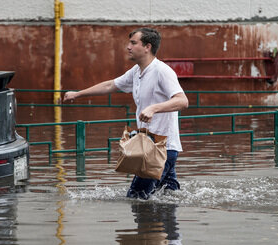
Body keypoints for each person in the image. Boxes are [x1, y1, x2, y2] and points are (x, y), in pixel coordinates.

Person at [63, 27, 189, 200]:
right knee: (168, 197)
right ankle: (167, 225)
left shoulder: (162, 71)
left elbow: (183, 101)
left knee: (136, 198)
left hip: (160, 149)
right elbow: (110, 85)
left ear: (147, 47)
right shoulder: (136, 72)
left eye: (133, 43)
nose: (128, 47)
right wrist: (78, 94)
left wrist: (153, 108)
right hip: (156, 146)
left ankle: (152, 226)